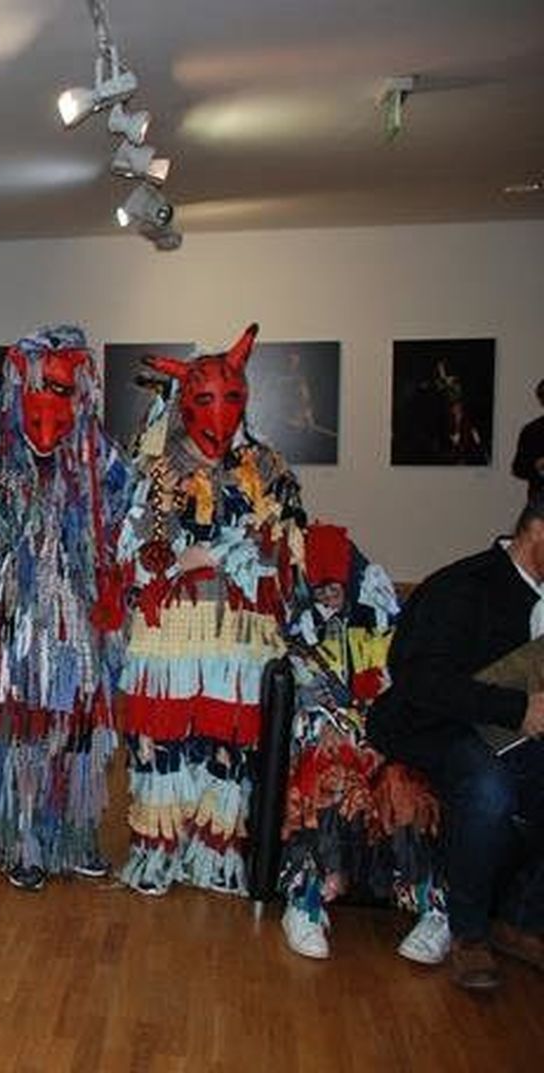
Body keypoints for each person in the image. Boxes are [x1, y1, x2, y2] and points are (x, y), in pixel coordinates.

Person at [115, 324, 307, 897]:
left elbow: (292, 542)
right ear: (184, 404)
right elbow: (129, 550)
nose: (219, 414)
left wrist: (254, 552)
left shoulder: (268, 468)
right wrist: (177, 559)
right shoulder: (153, 469)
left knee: (227, 739)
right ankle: (159, 849)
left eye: (231, 398)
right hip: (170, 632)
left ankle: (215, 852)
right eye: (205, 399)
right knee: (163, 737)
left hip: (239, 630)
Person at [0, 326, 133, 892]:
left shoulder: (99, 458)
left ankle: (75, 836)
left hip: (80, 626)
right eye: (40, 404)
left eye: (64, 398)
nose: (50, 424)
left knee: (79, 732)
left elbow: (123, 527)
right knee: (25, 736)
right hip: (21, 630)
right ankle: (24, 840)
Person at [368, 497, 544, 992]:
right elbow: (419, 679)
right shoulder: (462, 588)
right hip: (435, 727)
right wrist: (517, 711)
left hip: (514, 736)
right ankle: (467, 933)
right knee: (488, 788)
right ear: (537, 534)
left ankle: (522, 917)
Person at [277, 523, 448, 965]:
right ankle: (307, 899)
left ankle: (433, 907)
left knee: (404, 783)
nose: (330, 598)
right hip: (322, 738)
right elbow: (298, 694)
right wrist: (323, 723)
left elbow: (402, 691)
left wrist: (382, 733)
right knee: (329, 769)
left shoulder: (382, 622)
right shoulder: (295, 631)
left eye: (336, 588)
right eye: (321, 590)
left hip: (384, 736)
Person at [512, 378, 544, 501]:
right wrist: (537, 465)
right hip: (540, 499)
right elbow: (518, 468)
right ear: (541, 400)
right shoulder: (531, 431)